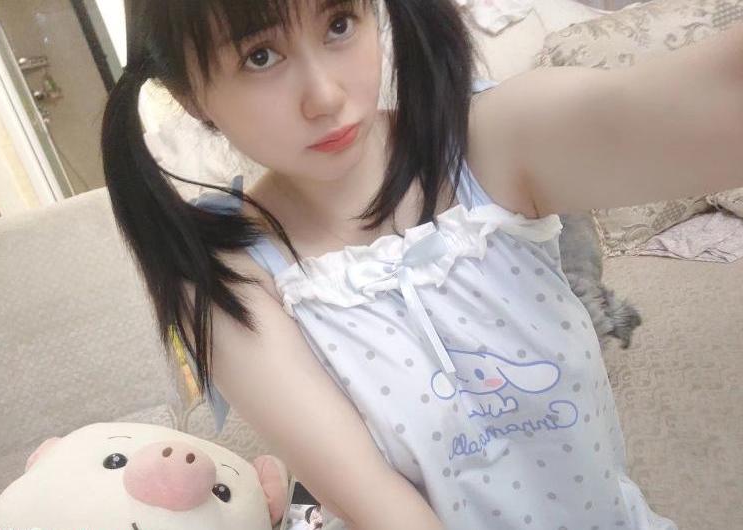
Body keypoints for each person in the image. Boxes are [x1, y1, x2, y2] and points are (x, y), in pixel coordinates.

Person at [100, 1, 743, 529]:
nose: (326, 95)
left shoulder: (489, 139)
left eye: (339, 24)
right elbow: (383, 509)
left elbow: (709, 99)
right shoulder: (227, 271)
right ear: (189, 94)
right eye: (259, 56)